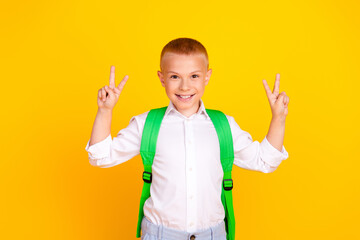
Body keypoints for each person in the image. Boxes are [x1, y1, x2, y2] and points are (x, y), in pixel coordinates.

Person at [85, 37, 290, 240]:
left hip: (213, 235)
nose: (184, 86)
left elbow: (265, 161)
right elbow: (101, 158)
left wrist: (278, 118)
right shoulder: (146, 124)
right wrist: (105, 111)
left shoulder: (223, 125)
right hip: (159, 235)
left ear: (207, 77)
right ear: (162, 78)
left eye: (194, 76)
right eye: (174, 77)